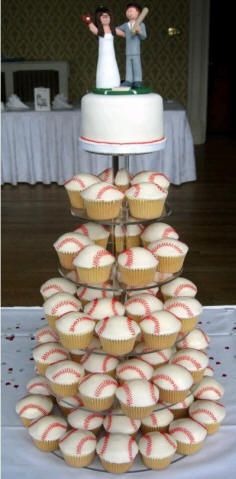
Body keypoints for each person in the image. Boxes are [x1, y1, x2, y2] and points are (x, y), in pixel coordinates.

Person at [83, 7, 120, 89]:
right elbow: (91, 26)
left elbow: (125, 34)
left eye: (107, 16)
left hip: (111, 55)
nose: (106, 18)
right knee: (103, 67)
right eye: (103, 17)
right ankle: (103, 84)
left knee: (112, 67)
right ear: (99, 18)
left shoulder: (113, 30)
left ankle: (114, 84)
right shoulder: (99, 31)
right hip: (103, 55)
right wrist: (88, 21)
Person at [116, 2, 147, 88]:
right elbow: (116, 29)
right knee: (128, 67)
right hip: (128, 51)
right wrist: (123, 34)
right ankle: (128, 80)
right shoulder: (126, 25)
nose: (129, 13)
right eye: (128, 11)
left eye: (131, 11)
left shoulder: (141, 24)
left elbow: (144, 36)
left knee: (137, 66)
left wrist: (139, 31)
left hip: (136, 51)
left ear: (138, 13)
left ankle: (137, 80)